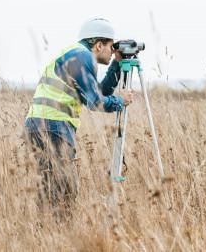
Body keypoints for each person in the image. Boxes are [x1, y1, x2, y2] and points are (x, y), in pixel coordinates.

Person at [24, 18, 134, 206]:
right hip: (54, 125)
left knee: (48, 189)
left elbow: (96, 93)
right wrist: (121, 101)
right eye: (111, 46)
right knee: (65, 191)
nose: (113, 50)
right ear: (99, 45)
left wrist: (116, 64)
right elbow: (96, 102)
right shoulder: (84, 58)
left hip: (38, 124)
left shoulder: (74, 54)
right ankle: (60, 231)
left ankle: (47, 230)